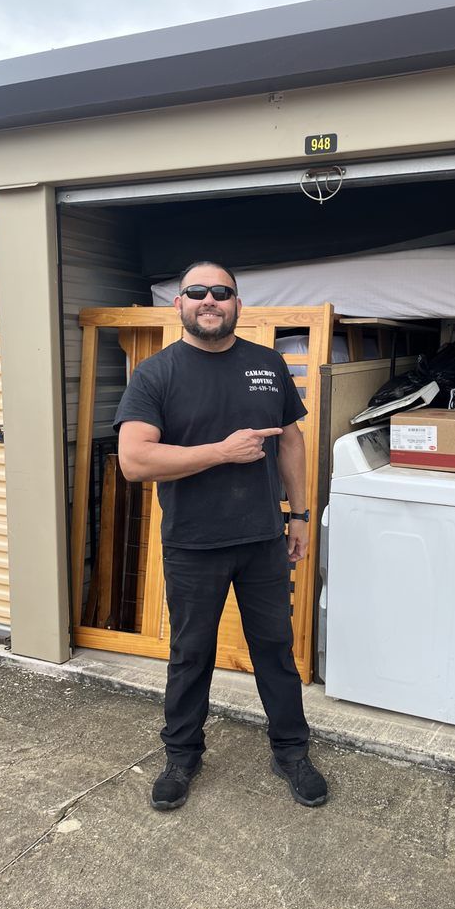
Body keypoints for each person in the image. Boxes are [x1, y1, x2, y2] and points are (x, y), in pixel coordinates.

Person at [114, 261, 327, 811]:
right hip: (192, 543)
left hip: (261, 539)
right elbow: (135, 460)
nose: (210, 300)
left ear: (238, 304)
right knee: (191, 654)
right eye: (197, 292)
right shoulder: (156, 373)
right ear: (180, 305)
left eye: (222, 292)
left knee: (276, 651)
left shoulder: (267, 364)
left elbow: (292, 442)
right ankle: (182, 756)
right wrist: (221, 452)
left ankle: (292, 751)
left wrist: (298, 516)